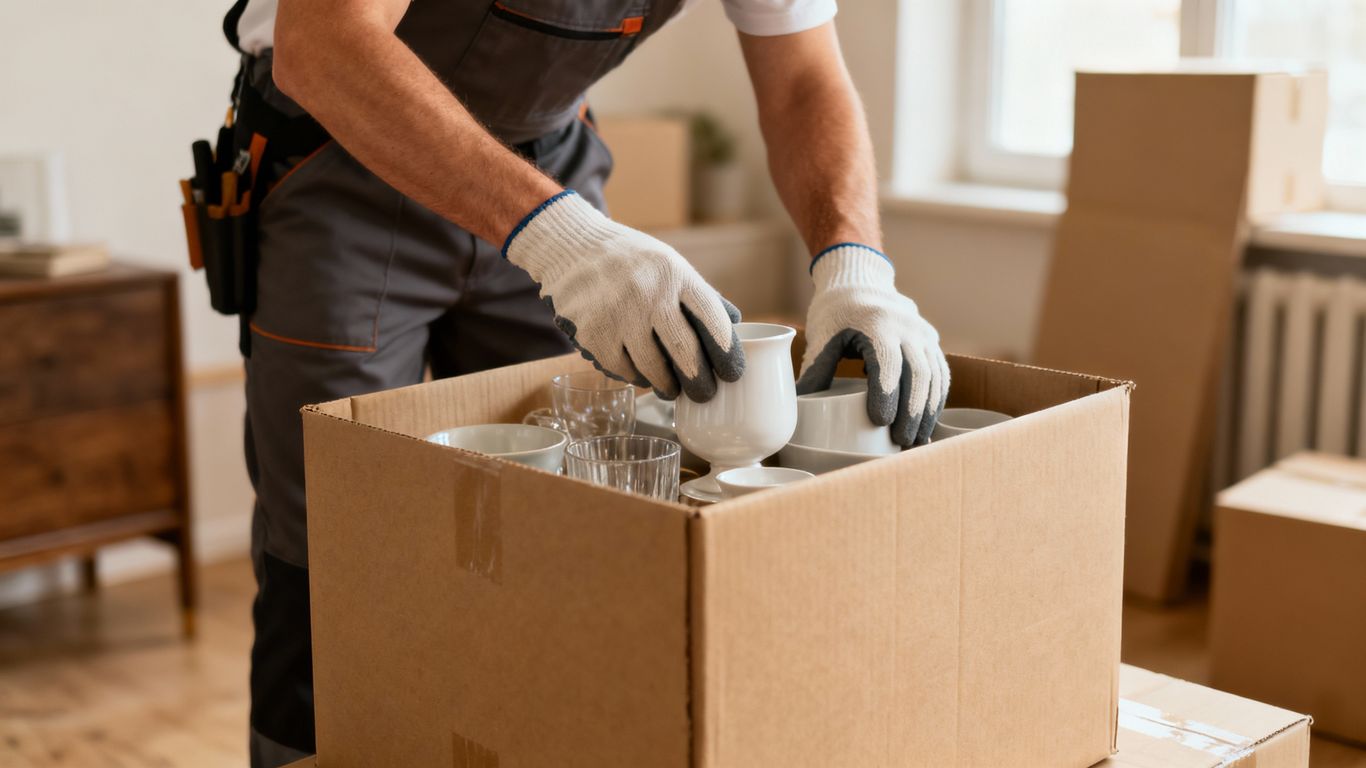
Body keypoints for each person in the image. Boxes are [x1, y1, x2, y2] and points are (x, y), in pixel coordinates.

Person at [221, 0, 949, 765]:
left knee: (563, 521)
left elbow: (802, 80)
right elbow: (322, 44)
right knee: (335, 549)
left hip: (542, 160)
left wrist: (854, 267)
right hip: (343, 151)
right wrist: (559, 239)